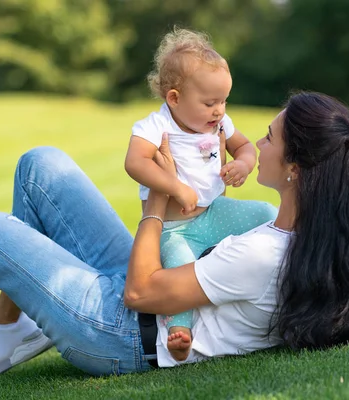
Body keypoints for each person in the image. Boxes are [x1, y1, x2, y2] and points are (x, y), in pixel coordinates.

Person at [0, 92, 349, 400]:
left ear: (297, 168)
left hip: (121, 330)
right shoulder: (285, 232)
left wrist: (154, 199)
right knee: (40, 167)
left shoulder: (262, 255)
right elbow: (191, 243)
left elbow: (140, 290)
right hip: (141, 298)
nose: (256, 141)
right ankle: (10, 332)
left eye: (272, 136)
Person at [124, 28, 258, 361]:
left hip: (213, 212)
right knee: (180, 268)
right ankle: (179, 332)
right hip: (173, 229)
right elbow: (134, 162)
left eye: (224, 100)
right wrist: (175, 187)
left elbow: (245, 146)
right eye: (210, 102)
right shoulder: (155, 126)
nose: (219, 111)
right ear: (174, 98)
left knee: (265, 215)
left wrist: (243, 163)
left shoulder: (219, 122)